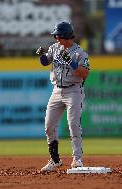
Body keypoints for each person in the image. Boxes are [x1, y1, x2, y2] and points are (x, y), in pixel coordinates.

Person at [36, 21, 90, 172]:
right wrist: (41, 55)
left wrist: (72, 63)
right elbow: (45, 62)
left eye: (58, 36)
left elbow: (85, 73)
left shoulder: (80, 53)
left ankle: (77, 158)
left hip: (74, 90)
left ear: (67, 36)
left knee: (73, 124)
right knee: (49, 125)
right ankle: (55, 160)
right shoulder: (54, 48)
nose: (56, 39)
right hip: (57, 91)